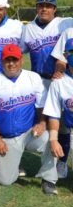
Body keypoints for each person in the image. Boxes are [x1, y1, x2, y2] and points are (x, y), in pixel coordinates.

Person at [0, 44, 58, 195]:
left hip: (30, 133)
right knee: (5, 181)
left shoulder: (33, 77)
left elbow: (41, 105)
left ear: (21, 60)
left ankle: (49, 179)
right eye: (7, 60)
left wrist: (42, 123)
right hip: (7, 138)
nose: (11, 63)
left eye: (15, 59)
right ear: (1, 62)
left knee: (50, 140)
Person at [21, 0, 73, 178]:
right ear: (36, 7)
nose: (44, 8)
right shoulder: (28, 29)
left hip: (61, 80)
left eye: (48, 6)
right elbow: (19, 52)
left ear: (54, 9)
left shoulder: (65, 23)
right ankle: (21, 156)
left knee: (63, 124)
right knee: (36, 122)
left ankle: (62, 163)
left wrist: (61, 69)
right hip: (38, 80)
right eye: (41, 5)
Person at [43, 39, 73, 180]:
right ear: (65, 56)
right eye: (72, 53)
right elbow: (54, 114)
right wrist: (53, 139)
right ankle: (62, 162)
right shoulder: (59, 83)